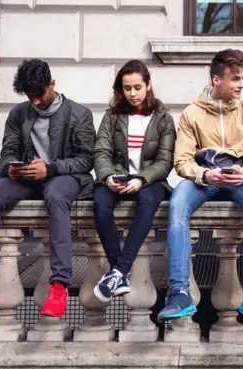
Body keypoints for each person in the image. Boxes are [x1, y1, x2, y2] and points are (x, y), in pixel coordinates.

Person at [0, 59, 96, 317]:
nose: (36, 102)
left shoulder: (79, 114)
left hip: (63, 177)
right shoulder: (19, 114)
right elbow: (8, 152)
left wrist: (49, 169)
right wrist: (11, 168)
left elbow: (86, 160)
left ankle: (60, 285)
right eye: (30, 97)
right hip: (27, 178)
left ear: (52, 84)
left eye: (39, 95)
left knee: (55, 194)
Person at [156, 49, 243, 326]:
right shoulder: (191, 113)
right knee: (178, 203)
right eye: (235, 79)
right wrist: (205, 175)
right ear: (216, 79)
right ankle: (179, 292)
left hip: (239, 178)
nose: (241, 84)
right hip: (203, 180)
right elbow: (181, 161)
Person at [92, 60, 175, 303]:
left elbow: (165, 160)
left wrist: (141, 179)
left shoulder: (163, 119)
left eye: (137, 87)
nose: (132, 93)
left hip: (150, 182)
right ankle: (119, 271)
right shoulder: (112, 117)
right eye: (127, 88)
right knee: (99, 201)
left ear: (148, 85)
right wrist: (107, 178)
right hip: (117, 178)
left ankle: (118, 270)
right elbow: (101, 152)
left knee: (149, 201)